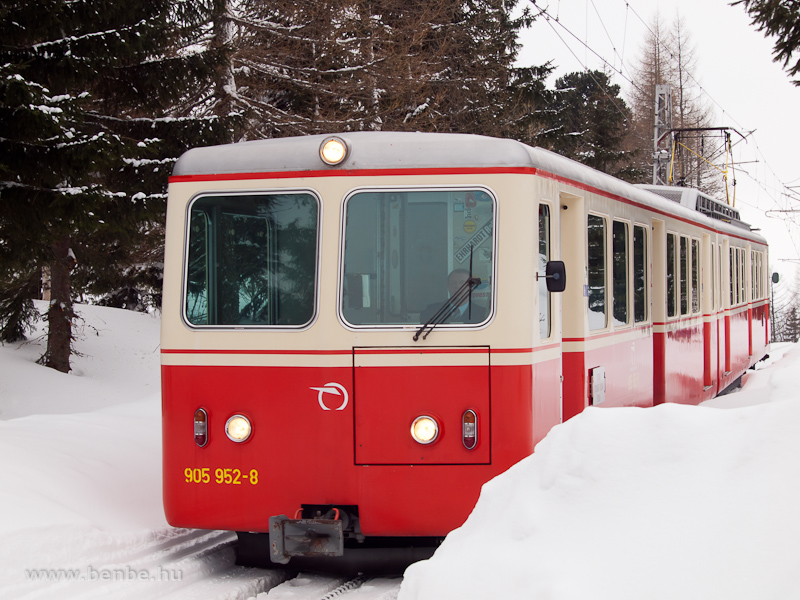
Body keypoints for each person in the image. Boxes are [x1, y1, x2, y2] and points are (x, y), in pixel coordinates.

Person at [420, 268, 489, 324]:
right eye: (453, 283)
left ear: (471, 287)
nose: (457, 286)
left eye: (462, 282)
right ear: (448, 286)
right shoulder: (431, 311)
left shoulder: (483, 314)